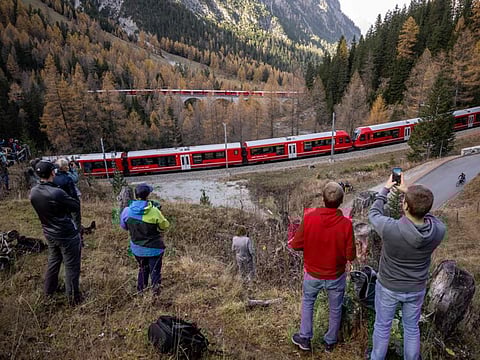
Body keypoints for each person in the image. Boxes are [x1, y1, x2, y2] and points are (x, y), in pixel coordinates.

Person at [368, 173, 446, 360]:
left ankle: (376, 357)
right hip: (416, 288)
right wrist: (411, 196)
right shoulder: (438, 231)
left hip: (389, 287)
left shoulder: (390, 228)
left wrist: (385, 189)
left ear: (404, 206)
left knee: (382, 326)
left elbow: (373, 213)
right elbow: (428, 216)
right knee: (411, 328)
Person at [289, 182, 356, 352]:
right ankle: (330, 342)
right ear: (341, 201)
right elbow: (350, 256)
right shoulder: (346, 225)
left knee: (308, 302)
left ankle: (304, 338)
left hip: (312, 274)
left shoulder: (310, 218)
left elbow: (295, 245)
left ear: (322, 198)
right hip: (336, 275)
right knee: (335, 308)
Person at [29, 160, 82, 305]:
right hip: (66, 233)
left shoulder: (33, 192)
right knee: (71, 265)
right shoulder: (57, 192)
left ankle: (49, 290)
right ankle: (73, 298)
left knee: (53, 261)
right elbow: (75, 206)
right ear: (53, 172)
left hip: (49, 231)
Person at [120, 183, 169, 295]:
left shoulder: (127, 211)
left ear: (136, 195)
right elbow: (164, 226)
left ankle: (141, 291)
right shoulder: (155, 211)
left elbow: (124, 227)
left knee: (143, 268)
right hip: (155, 248)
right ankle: (155, 294)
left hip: (137, 249)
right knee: (155, 270)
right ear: (148, 195)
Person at [54, 158, 81, 232]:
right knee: (75, 221)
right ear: (65, 166)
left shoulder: (54, 178)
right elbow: (75, 180)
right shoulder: (67, 178)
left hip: (58, 204)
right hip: (69, 202)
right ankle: (78, 236)